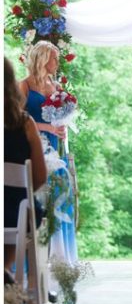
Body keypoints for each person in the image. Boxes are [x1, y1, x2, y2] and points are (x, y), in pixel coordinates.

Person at [19, 40, 76, 263]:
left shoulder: (56, 86)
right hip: (33, 142)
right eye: (54, 58)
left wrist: (62, 128)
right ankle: (38, 251)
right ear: (43, 59)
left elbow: (59, 117)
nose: (57, 62)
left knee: (60, 190)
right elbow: (19, 119)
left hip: (53, 143)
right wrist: (45, 127)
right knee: (42, 190)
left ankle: (59, 252)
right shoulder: (24, 85)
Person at [4, 57, 47, 272]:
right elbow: (39, 177)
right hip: (15, 214)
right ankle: (7, 275)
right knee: (26, 209)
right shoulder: (26, 123)